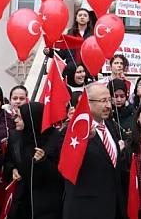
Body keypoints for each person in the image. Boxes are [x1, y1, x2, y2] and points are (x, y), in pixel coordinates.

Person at [58, 82, 128, 219]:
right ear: (87, 102)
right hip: (86, 208)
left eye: (109, 100)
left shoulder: (111, 126)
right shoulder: (72, 130)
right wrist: (83, 141)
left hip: (113, 207)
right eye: (102, 101)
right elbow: (66, 165)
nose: (108, 105)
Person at [5, 101, 63, 219]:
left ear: (32, 120)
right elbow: (8, 160)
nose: (15, 120)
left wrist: (42, 162)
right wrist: (12, 169)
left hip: (46, 205)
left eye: (20, 118)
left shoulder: (55, 139)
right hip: (21, 204)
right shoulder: (15, 137)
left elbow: (59, 173)